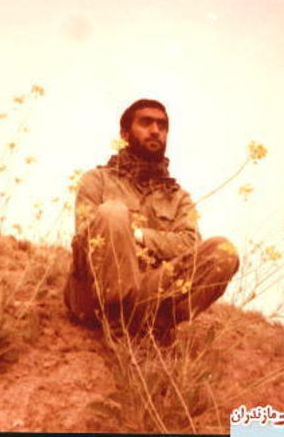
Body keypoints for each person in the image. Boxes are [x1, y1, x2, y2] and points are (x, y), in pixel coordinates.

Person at [63, 99, 240, 343]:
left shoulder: (178, 197)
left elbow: (190, 244)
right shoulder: (97, 180)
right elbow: (85, 239)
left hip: (148, 293)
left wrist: (137, 236)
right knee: (112, 212)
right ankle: (115, 322)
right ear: (125, 134)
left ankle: (156, 324)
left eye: (162, 125)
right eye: (145, 123)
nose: (155, 130)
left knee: (224, 251)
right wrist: (122, 235)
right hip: (93, 295)